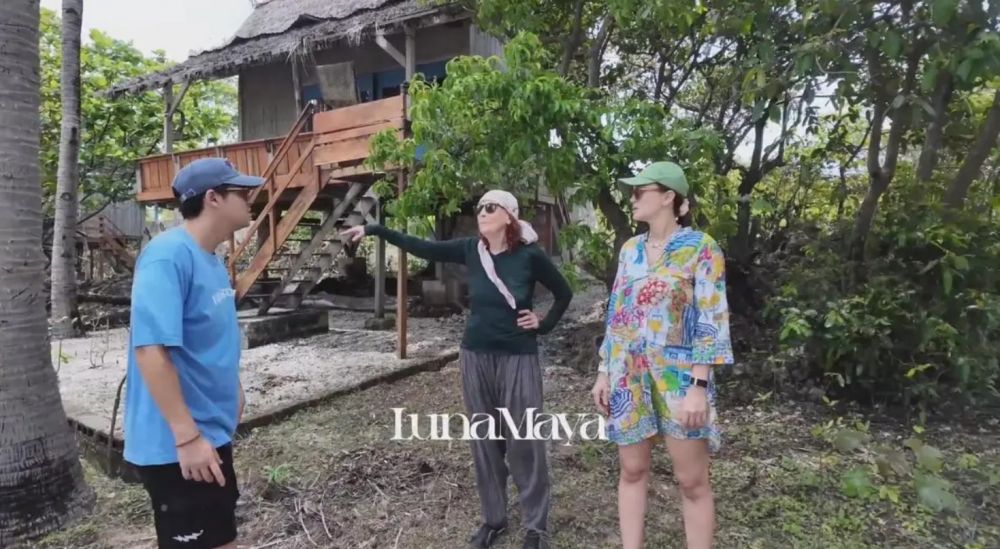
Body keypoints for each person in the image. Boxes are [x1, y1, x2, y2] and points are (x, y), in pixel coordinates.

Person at [342, 190, 573, 549]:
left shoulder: (529, 256)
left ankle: (536, 527)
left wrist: (542, 324)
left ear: (510, 216)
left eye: (490, 207)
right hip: (474, 356)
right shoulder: (470, 249)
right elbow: (420, 246)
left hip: (518, 356)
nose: (482, 212)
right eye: (480, 207)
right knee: (485, 441)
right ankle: (494, 519)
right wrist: (374, 231)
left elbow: (564, 293)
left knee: (524, 441)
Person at [590, 161, 733, 549]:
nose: (632, 198)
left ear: (669, 197)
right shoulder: (630, 250)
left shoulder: (702, 248)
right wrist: (604, 372)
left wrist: (699, 387)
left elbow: (712, 318)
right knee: (632, 470)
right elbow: (617, 312)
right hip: (628, 376)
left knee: (692, 481)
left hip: (681, 378)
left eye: (640, 191)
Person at [124, 158, 263, 549]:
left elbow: (207, 337)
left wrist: (233, 388)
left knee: (222, 539)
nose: (251, 198)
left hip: (209, 433)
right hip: (180, 446)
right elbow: (150, 351)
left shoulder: (212, 259)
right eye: (242, 192)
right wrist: (186, 439)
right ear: (213, 198)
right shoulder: (167, 257)